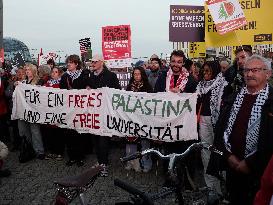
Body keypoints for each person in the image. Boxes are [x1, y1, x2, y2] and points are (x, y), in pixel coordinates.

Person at [207, 55, 273, 205]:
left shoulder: (271, 101)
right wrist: (228, 156)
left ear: (268, 74)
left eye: (255, 70)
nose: (249, 74)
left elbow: (269, 142)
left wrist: (249, 163)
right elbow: (221, 131)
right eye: (246, 70)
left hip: (260, 172)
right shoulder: (234, 97)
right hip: (232, 166)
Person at [196, 61, 228, 199]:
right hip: (203, 119)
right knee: (205, 151)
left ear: (214, 71)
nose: (205, 73)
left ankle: (223, 187)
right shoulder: (200, 85)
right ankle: (210, 187)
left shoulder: (224, 85)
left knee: (220, 152)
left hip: (218, 122)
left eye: (208, 71)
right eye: (204, 71)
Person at [86, 54, 121, 176]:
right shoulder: (90, 75)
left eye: (95, 62)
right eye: (92, 62)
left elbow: (117, 91)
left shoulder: (111, 75)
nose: (92, 64)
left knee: (103, 140)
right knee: (95, 139)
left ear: (101, 62)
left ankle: (104, 164)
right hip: (94, 112)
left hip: (105, 112)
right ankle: (100, 161)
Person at [59, 55, 90, 166]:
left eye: (71, 62)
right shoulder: (64, 77)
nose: (68, 64)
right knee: (69, 133)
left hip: (80, 108)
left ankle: (80, 156)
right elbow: (61, 92)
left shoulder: (84, 75)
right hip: (68, 108)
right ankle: (71, 156)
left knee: (80, 133)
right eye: (68, 62)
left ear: (76, 64)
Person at [125, 66, 153, 172]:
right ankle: (132, 163)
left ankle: (146, 164)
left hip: (144, 118)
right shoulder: (129, 87)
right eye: (135, 74)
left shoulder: (147, 86)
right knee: (131, 141)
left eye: (138, 74)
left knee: (145, 142)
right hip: (132, 118)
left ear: (142, 75)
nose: (136, 76)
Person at [16, 63, 45, 159]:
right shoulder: (23, 82)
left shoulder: (39, 81)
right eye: (26, 69)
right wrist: (17, 86)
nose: (27, 71)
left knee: (35, 130)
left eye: (29, 69)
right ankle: (28, 148)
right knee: (25, 131)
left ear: (33, 70)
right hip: (23, 110)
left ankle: (39, 151)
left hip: (33, 110)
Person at [44, 67, 64, 160]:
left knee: (58, 133)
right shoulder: (48, 83)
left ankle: (59, 152)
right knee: (50, 133)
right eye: (52, 72)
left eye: (56, 72)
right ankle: (52, 151)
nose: (53, 73)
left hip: (58, 111)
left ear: (59, 74)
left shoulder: (62, 83)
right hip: (50, 111)